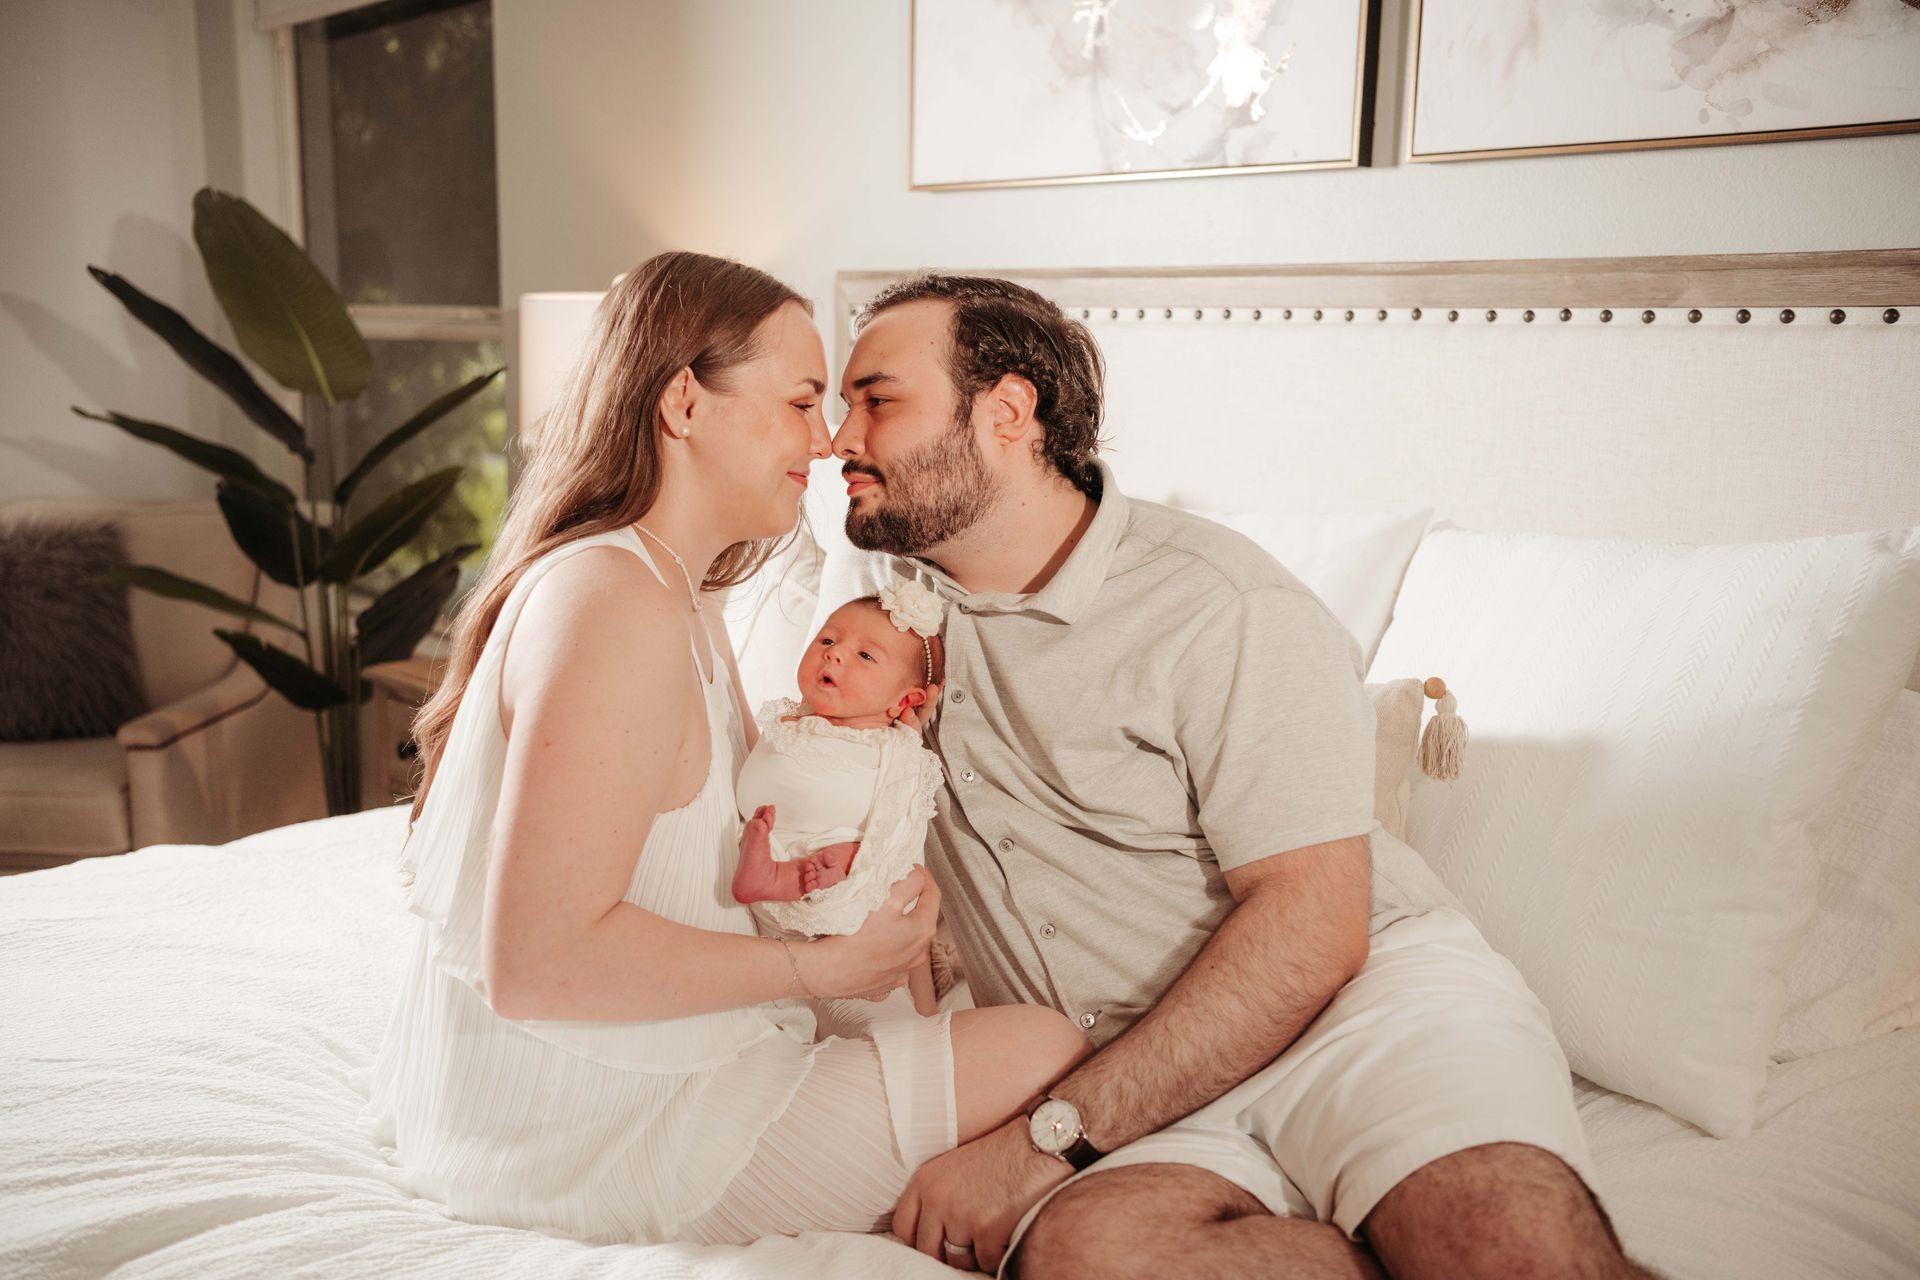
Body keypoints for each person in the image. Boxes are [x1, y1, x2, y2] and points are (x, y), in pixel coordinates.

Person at [825, 273, 1660, 1279]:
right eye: (836, 405)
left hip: (1357, 1008)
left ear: (1007, 411)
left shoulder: (1219, 602)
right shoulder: (875, 624)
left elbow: (1312, 928)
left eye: (876, 399)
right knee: (1097, 1257)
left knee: (1500, 1244)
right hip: (1135, 1073)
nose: (840, 438)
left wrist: (1039, 1140)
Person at [362, 252, 1088, 1249]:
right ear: (683, 405)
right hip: (596, 1132)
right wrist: (821, 971)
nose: (830, 439)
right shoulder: (613, 603)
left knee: (995, 1027)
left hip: (615, 1084)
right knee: (1053, 1048)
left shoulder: (676, 592)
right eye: (800, 400)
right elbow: (536, 960)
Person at [732, 584, 951, 1016]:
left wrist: (859, 858)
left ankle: (921, 1012)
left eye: (865, 656)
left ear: (905, 700)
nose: (833, 654)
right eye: (828, 640)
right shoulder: (790, 719)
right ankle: (773, 877)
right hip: (780, 884)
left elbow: (899, 821)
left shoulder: (891, 751)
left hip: (844, 892)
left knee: (884, 1020)